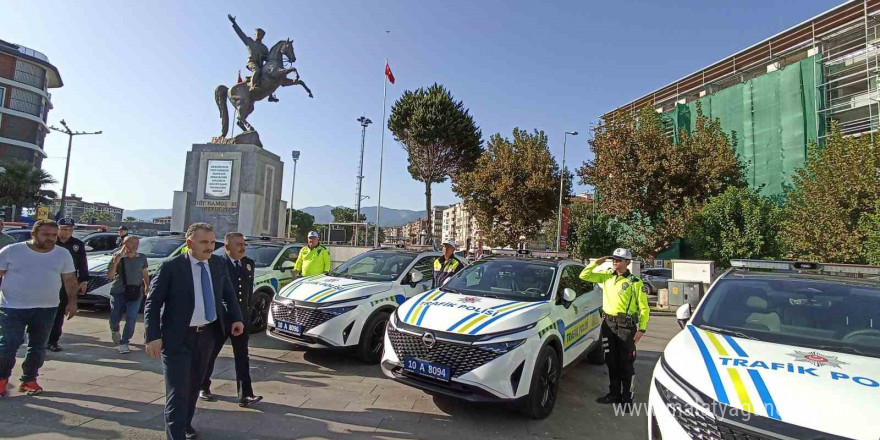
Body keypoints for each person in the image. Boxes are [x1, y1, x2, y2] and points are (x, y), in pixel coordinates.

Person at [144, 222, 244, 440]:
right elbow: (152, 303)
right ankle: (176, 435)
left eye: (212, 242)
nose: (209, 247)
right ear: (189, 243)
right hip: (177, 338)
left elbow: (228, 293)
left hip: (208, 336)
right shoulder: (171, 267)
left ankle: (185, 425)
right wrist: (152, 336)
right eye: (204, 243)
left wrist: (236, 318)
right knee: (177, 393)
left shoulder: (217, 264)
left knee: (193, 387)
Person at [0, 220, 78, 396]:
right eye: (46, 234)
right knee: (9, 343)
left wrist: (72, 302)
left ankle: (29, 380)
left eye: (53, 235)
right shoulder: (12, 251)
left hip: (47, 308)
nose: (50, 238)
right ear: (33, 234)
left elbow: (70, 280)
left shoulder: (62, 254)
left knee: (38, 346)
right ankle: (1, 378)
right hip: (12, 307)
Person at [578, 248, 649, 409]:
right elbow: (584, 275)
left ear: (627, 262)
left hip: (625, 326)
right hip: (608, 324)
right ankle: (614, 394)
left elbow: (644, 309)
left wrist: (641, 329)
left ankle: (627, 398)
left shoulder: (635, 282)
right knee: (611, 362)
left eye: (619, 260)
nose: (615, 262)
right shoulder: (607, 277)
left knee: (626, 364)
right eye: (614, 259)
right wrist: (596, 262)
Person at [199, 232, 262, 407]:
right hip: (221, 319)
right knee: (211, 354)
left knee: (242, 356)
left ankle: (245, 394)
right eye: (238, 244)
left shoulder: (248, 264)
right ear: (227, 247)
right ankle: (203, 386)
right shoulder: (218, 263)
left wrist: (245, 315)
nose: (242, 247)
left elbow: (247, 293)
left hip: (241, 319)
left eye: (243, 244)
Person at [47, 218, 89, 352]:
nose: (68, 232)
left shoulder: (77, 244)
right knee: (44, 311)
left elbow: (82, 263)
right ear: (58, 229)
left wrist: (83, 280)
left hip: (67, 282)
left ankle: (53, 341)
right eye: (64, 229)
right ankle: (40, 338)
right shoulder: (51, 242)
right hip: (49, 281)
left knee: (59, 313)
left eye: (70, 229)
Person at [106, 235, 149, 354]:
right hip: (118, 291)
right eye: (131, 243)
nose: (134, 246)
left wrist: (147, 286)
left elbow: (144, 272)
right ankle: (114, 330)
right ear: (124, 244)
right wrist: (115, 262)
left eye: (137, 244)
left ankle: (124, 341)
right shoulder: (118, 257)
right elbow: (109, 275)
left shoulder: (142, 258)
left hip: (135, 292)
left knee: (131, 317)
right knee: (115, 316)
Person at [228, 14, 279, 102]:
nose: (259, 36)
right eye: (258, 34)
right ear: (256, 34)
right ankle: (252, 86)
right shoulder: (250, 42)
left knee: (268, 75)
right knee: (257, 71)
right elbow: (241, 34)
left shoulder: (264, 47)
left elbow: (268, 58)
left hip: (260, 65)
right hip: (252, 62)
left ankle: (270, 96)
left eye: (261, 35)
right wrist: (234, 24)